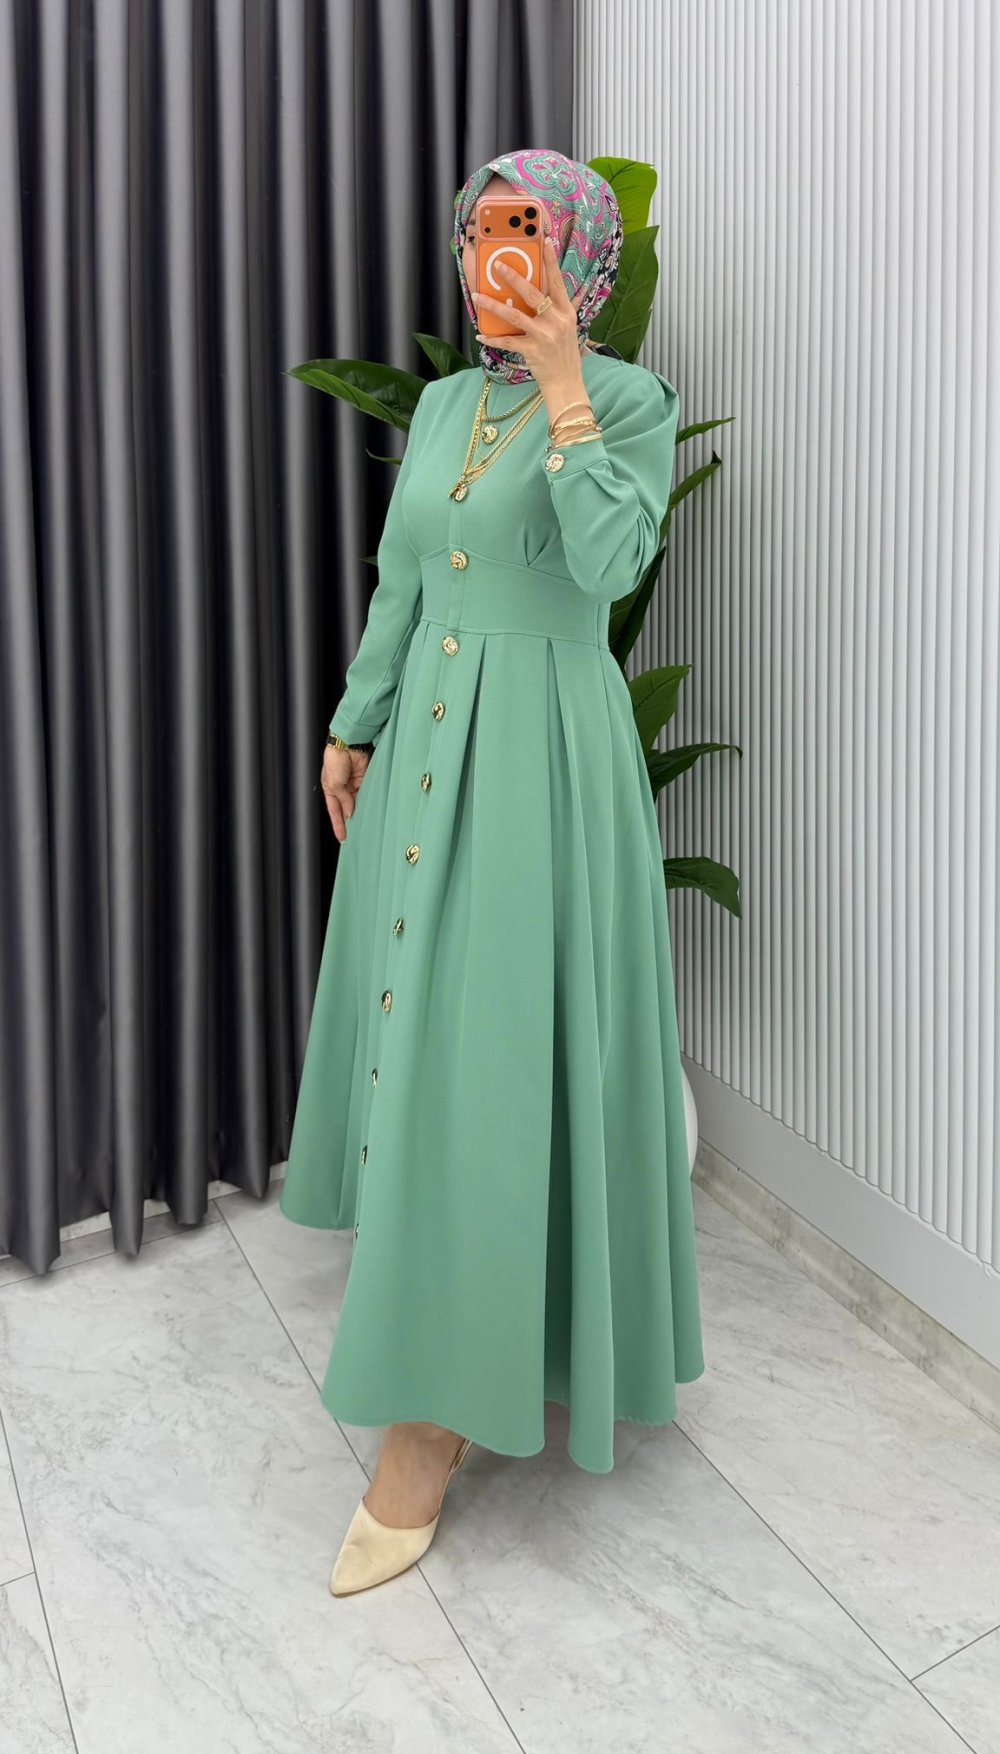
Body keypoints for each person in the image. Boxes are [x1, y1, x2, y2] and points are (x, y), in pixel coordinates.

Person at [280, 148, 705, 1596]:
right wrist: (355, 720)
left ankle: (431, 1420)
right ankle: (449, 1332)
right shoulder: (448, 407)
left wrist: (571, 386)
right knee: (430, 1049)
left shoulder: (628, 400)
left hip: (540, 765)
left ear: (572, 254)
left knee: (495, 1062)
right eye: (474, 234)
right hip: (424, 758)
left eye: (516, 233)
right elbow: (405, 579)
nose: (486, 259)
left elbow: (607, 566)